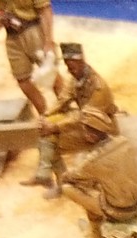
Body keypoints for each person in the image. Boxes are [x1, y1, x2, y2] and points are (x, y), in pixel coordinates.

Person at [30, 41, 117, 190]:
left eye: (72, 67)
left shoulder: (98, 87)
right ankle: (59, 183)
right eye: (68, 67)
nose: (70, 71)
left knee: (52, 141)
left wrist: (55, 126)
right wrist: (46, 116)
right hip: (85, 125)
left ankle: (54, 179)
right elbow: (63, 99)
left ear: (80, 61)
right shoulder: (77, 79)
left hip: (101, 131)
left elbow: (86, 115)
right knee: (49, 142)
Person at [0, 0, 55, 116]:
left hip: (34, 30)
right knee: (22, 79)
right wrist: (0, 21)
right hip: (12, 37)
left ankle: (66, 108)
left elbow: (45, 10)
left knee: (51, 73)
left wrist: (48, 41)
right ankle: (44, 114)